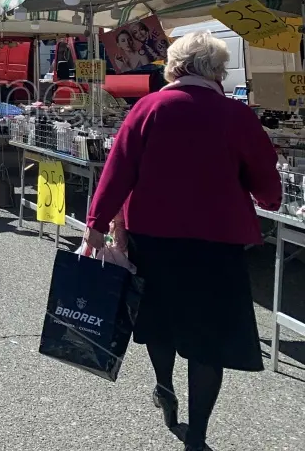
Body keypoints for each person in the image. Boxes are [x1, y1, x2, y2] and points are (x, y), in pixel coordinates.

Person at [85, 32, 281, 451]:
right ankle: (198, 435)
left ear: (174, 67)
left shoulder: (148, 108)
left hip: (153, 236)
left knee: (159, 320)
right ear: (218, 72)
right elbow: (265, 176)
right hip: (218, 241)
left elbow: (118, 169)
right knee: (208, 338)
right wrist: (268, 199)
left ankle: (164, 386)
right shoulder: (235, 114)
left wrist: (97, 223)